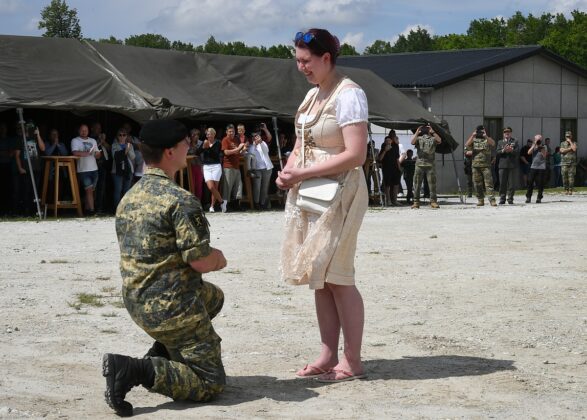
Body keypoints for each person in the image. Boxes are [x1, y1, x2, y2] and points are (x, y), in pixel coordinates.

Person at [103, 119, 227, 417]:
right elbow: (200, 260)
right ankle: (136, 370)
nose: (190, 147)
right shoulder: (179, 200)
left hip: (138, 302)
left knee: (214, 297)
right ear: (170, 152)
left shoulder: (129, 198)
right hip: (173, 308)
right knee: (210, 383)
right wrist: (218, 258)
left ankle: (166, 352)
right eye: (186, 143)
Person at [277, 28, 369, 383]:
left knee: (339, 276)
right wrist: (288, 172)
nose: (301, 67)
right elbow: (302, 143)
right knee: (320, 277)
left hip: (342, 193)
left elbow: (355, 154)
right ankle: (328, 353)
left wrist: (302, 172)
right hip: (313, 191)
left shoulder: (349, 95)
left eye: (306, 61)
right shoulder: (312, 96)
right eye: (298, 60)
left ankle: (352, 359)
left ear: (326, 58)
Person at [13, 121, 46, 215]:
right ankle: (26, 211)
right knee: (27, 190)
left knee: (35, 189)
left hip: (36, 168)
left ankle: (34, 211)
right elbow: (17, 155)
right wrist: (20, 168)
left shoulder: (35, 138)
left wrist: (38, 135)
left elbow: (43, 148)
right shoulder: (21, 139)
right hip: (26, 169)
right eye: (28, 127)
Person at [71, 124, 101, 216]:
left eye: (86, 130)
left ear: (88, 131)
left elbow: (98, 155)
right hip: (83, 170)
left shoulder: (93, 140)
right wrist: (88, 153)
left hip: (94, 169)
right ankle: (92, 210)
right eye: (82, 130)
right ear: (78, 131)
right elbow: (75, 152)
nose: (84, 132)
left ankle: (86, 210)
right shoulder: (75, 140)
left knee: (91, 191)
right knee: (88, 190)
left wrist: (97, 154)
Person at [411, 124, 442, 209]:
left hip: (430, 164)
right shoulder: (418, 138)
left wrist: (433, 132)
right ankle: (416, 202)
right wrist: (417, 132)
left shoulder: (432, 139)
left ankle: (433, 201)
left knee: (432, 184)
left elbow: (439, 140)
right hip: (419, 164)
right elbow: (412, 142)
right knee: (417, 184)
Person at [465, 125, 497, 206]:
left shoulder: (487, 139)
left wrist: (485, 136)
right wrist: (473, 135)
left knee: (489, 183)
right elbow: (466, 145)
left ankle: (492, 200)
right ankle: (480, 199)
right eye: (479, 131)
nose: (480, 132)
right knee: (477, 184)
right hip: (475, 165)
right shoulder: (474, 139)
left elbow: (493, 143)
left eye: (482, 131)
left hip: (486, 165)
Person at [200, 127, 226, 213]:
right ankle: (222, 202)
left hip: (216, 166)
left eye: (209, 133)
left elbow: (215, 154)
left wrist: (208, 148)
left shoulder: (218, 142)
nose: (208, 135)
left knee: (215, 187)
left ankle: (212, 206)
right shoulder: (205, 142)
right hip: (206, 167)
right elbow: (198, 152)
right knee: (211, 187)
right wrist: (203, 147)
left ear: (214, 134)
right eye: (207, 134)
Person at [221, 124, 246, 209]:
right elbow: (226, 152)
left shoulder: (236, 139)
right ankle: (225, 205)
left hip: (236, 166)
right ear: (226, 132)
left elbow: (239, 151)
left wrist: (242, 150)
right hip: (228, 166)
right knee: (227, 186)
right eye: (230, 131)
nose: (231, 133)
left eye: (233, 131)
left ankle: (236, 204)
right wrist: (238, 149)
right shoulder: (225, 140)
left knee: (239, 185)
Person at [248, 130, 274, 210]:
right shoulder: (251, 147)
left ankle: (262, 203)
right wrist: (255, 145)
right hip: (256, 169)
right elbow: (250, 154)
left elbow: (266, 150)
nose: (256, 138)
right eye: (254, 137)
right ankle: (256, 203)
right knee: (257, 187)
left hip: (267, 168)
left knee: (265, 187)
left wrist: (261, 142)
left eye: (257, 136)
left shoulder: (263, 143)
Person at [111, 129, 135, 210]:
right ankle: (117, 209)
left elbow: (133, 157)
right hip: (117, 171)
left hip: (128, 170)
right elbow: (115, 157)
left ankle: (126, 209)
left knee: (127, 190)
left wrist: (128, 150)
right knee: (118, 190)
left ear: (127, 136)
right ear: (117, 136)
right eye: (120, 135)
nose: (122, 137)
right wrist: (125, 150)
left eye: (124, 135)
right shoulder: (114, 145)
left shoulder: (130, 145)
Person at [91, 122, 112, 214]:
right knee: (95, 187)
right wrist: (100, 140)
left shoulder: (101, 139)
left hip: (104, 165)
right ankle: (95, 207)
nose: (99, 130)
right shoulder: (91, 139)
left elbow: (109, 148)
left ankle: (101, 207)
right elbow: (94, 149)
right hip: (94, 165)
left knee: (102, 187)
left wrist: (103, 141)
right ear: (92, 129)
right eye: (96, 128)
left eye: (100, 128)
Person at [496, 127, 519, 204]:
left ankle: (510, 199)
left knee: (511, 184)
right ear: (503, 133)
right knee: (502, 183)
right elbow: (497, 152)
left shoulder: (515, 141)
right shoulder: (500, 142)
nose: (507, 133)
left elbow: (517, 152)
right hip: (502, 165)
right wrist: (503, 150)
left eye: (508, 132)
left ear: (511, 133)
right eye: (505, 132)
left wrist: (511, 150)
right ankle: (502, 199)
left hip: (512, 165)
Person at [377, 134, 401, 206]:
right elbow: (380, 158)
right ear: (384, 142)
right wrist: (385, 150)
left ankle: (395, 200)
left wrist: (399, 168)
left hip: (395, 168)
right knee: (387, 185)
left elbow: (397, 158)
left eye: (389, 140)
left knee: (396, 184)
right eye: (386, 140)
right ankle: (388, 200)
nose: (388, 141)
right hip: (387, 168)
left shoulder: (395, 146)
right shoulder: (383, 147)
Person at [525, 134, 548, 203]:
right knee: (530, 182)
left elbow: (545, 156)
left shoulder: (544, 146)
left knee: (540, 183)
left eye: (539, 139)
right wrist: (534, 145)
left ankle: (539, 197)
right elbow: (528, 153)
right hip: (533, 166)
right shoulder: (533, 145)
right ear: (535, 140)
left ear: (541, 140)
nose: (538, 141)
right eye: (537, 139)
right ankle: (528, 197)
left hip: (541, 167)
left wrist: (541, 148)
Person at [188, 128, 204, 201]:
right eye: (194, 135)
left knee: (199, 185)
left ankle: (199, 202)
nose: (196, 136)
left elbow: (202, 154)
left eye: (197, 134)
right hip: (190, 166)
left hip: (199, 165)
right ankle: (192, 201)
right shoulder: (188, 143)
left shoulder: (201, 143)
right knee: (192, 184)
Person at [560, 131, 577, 195]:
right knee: (564, 177)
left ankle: (570, 190)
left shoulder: (574, 143)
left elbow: (574, 149)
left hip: (572, 163)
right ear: (565, 136)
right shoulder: (562, 143)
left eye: (569, 136)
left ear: (571, 136)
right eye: (567, 136)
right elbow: (562, 151)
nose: (568, 137)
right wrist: (570, 149)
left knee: (571, 177)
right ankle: (566, 189)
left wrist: (570, 142)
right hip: (564, 163)